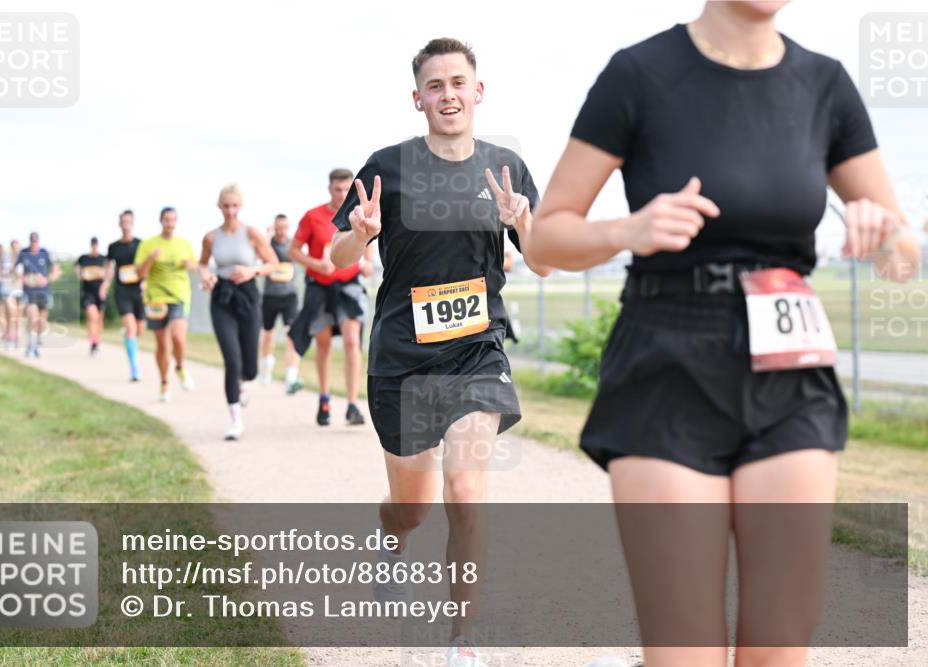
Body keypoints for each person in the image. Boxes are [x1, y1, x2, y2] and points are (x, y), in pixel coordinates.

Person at [526, 3, 922, 666]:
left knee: (779, 649)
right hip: (666, 363)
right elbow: (544, 238)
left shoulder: (825, 85)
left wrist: (883, 232)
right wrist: (627, 230)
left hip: (790, 367)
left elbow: (903, 250)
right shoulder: (639, 74)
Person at [330, 38, 551, 667]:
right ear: (418, 98)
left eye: (458, 82)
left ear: (476, 91)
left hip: (477, 353)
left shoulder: (505, 167)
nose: (448, 94)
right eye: (435, 85)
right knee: (412, 506)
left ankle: (461, 640)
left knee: (465, 486)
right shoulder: (386, 168)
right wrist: (360, 234)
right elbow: (340, 260)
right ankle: (390, 541)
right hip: (401, 358)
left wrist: (525, 222)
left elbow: (538, 261)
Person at [289, 169, 374, 426]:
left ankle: (351, 404)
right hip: (321, 286)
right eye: (337, 189)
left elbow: (368, 248)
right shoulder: (312, 216)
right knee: (323, 343)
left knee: (351, 341)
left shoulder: (359, 215)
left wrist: (368, 264)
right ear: (329, 189)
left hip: (348, 286)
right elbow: (293, 251)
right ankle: (324, 399)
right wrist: (316, 264)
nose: (341, 194)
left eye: (346, 190)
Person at [198, 184, 280, 440]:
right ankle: (235, 420)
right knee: (231, 360)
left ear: (240, 207)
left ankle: (243, 382)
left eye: (234, 206)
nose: (230, 211)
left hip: (247, 295)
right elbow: (202, 264)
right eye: (226, 206)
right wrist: (207, 276)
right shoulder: (211, 237)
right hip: (221, 297)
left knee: (250, 369)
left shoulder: (252, 233)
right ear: (219, 207)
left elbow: (273, 264)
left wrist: (251, 271)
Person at [135, 207, 197, 402]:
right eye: (166, 220)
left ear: (176, 222)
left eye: (173, 220)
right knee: (162, 345)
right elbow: (139, 273)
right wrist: (151, 258)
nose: (170, 224)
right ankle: (164, 383)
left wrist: (190, 265)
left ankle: (180, 366)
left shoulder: (184, 244)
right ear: (160, 221)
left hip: (179, 296)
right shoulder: (148, 244)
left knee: (178, 338)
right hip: (156, 299)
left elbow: (196, 266)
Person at [260, 213, 303, 393]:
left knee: (291, 335)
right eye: (278, 228)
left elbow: (300, 256)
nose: (282, 231)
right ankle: (267, 366)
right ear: (274, 227)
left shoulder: (292, 244)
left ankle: (291, 377)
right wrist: (267, 236)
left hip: (289, 297)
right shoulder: (267, 243)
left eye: (285, 227)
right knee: (268, 334)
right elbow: (259, 253)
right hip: (270, 296)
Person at [105, 210, 145, 380]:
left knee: (139, 330)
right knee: (131, 328)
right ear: (120, 224)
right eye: (124, 221)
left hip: (139, 290)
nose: (126, 224)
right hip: (122, 290)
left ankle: (128, 334)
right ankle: (134, 368)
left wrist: (146, 281)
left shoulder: (141, 244)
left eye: (129, 221)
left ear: (133, 223)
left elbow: (148, 265)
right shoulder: (113, 247)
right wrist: (105, 284)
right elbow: (109, 268)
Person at [16, 232, 61, 357]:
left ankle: (36, 339)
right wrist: (22, 278)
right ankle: (31, 344)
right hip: (29, 292)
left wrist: (46, 279)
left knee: (41, 321)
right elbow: (15, 270)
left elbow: (56, 271)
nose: (34, 244)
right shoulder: (23, 253)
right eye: (32, 241)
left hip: (44, 291)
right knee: (32, 316)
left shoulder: (45, 253)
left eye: (35, 242)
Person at [76, 236, 108, 355]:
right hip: (88, 292)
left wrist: (104, 281)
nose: (94, 246)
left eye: (96, 244)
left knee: (99, 318)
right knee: (92, 316)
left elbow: (109, 273)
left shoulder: (103, 259)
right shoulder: (83, 259)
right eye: (93, 244)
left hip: (100, 292)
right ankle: (93, 343)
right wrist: (81, 275)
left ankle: (97, 341)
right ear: (91, 245)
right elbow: (78, 272)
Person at [2, 239, 25, 349]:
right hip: (8, 290)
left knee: (18, 316)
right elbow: (1, 272)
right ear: (11, 248)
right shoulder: (6, 259)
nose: (16, 249)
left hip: (21, 290)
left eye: (18, 247)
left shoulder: (24, 260)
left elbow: (27, 275)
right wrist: (10, 272)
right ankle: (9, 337)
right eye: (14, 247)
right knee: (11, 314)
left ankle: (17, 337)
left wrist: (20, 276)